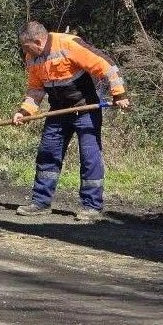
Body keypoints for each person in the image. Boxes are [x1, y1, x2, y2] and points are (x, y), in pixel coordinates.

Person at [12, 21, 130, 222]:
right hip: (57, 111)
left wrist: (119, 94)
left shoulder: (69, 45)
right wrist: (25, 111)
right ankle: (40, 202)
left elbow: (106, 66)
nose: (24, 52)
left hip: (85, 109)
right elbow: (35, 90)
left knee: (89, 157)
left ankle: (92, 206)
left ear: (38, 41)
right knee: (47, 153)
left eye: (26, 47)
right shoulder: (32, 58)